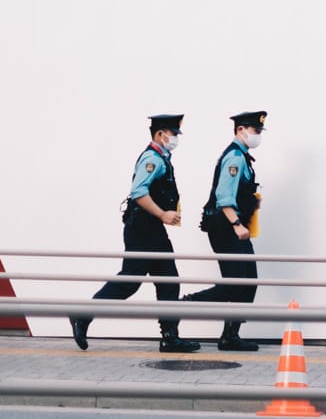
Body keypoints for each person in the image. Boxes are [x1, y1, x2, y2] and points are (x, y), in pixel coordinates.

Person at [70, 114, 201, 353]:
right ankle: (83, 315)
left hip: (151, 229)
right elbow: (138, 192)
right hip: (142, 228)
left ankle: (170, 337)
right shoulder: (153, 158)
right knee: (130, 281)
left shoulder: (162, 157)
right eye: (173, 134)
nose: (175, 139)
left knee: (169, 280)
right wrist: (163, 214)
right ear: (160, 134)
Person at [181, 110, 267, 351]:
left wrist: (252, 201)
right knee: (235, 284)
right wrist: (237, 224)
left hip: (234, 227)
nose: (258, 135)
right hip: (226, 227)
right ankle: (185, 305)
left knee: (249, 282)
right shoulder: (235, 158)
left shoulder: (243, 156)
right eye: (255, 130)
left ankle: (231, 335)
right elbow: (223, 197)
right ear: (240, 130)